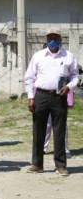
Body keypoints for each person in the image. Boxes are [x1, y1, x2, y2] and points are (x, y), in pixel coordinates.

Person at [25, 29, 79, 176]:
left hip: (59, 97)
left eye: (55, 38)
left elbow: (75, 76)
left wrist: (69, 87)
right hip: (41, 96)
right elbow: (29, 77)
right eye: (50, 38)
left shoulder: (69, 56)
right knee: (38, 130)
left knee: (59, 131)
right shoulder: (38, 56)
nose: (53, 40)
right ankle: (37, 164)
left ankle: (60, 165)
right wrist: (31, 97)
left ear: (60, 39)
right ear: (46, 39)